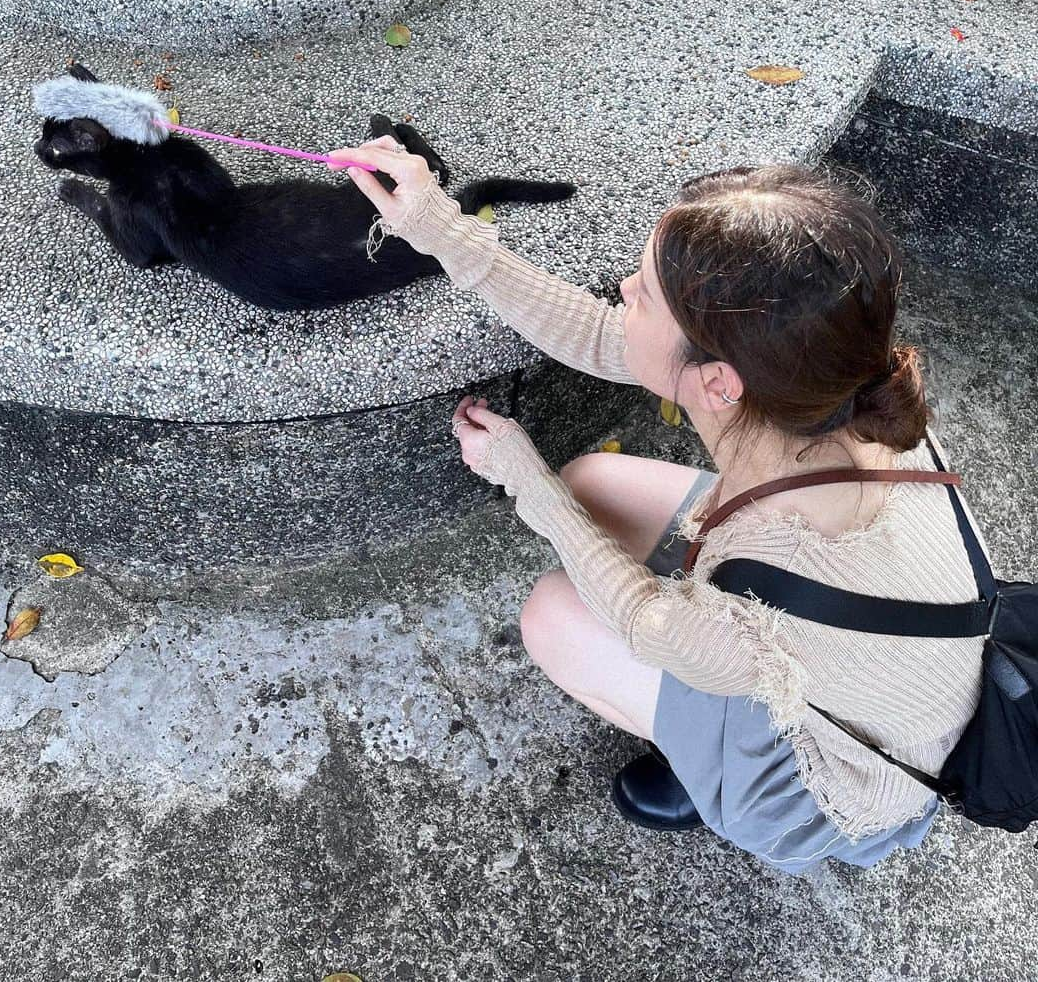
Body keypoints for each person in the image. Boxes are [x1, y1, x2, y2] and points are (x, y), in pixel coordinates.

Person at [328, 140, 986, 874]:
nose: (620, 290)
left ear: (719, 385)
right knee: (593, 483)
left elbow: (642, 617)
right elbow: (601, 336)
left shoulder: (770, 584)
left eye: (641, 292)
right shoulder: (832, 387)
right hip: (865, 655)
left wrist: (522, 477)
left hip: (840, 778)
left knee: (551, 614)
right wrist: (440, 228)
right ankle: (702, 728)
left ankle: (714, 780)